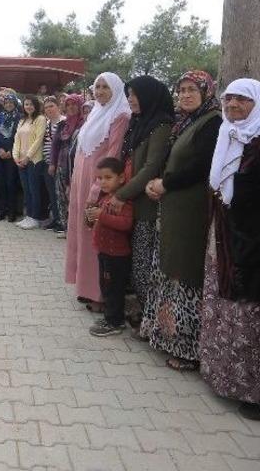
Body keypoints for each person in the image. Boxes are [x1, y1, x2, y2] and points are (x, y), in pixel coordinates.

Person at [199, 79, 260, 420]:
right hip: (226, 235)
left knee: (257, 317)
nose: (233, 105)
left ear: (259, 102)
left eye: (242, 99)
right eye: (229, 98)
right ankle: (226, 380)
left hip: (256, 244)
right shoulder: (228, 132)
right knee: (227, 309)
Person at [141, 70, 223, 371]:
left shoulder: (212, 122)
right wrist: (158, 183)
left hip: (191, 210)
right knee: (168, 268)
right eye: (182, 90)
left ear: (206, 92)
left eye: (192, 90)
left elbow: (200, 166)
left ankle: (187, 349)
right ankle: (164, 335)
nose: (185, 95)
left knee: (185, 272)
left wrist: (165, 184)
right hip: (173, 207)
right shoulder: (186, 121)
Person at [67, 75, 132, 306]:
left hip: (99, 183)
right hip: (81, 179)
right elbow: (81, 150)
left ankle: (99, 293)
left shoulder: (120, 115)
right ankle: (84, 286)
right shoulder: (95, 112)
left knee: (96, 236)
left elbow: (113, 153)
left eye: (106, 87)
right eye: (98, 87)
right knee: (81, 231)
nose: (100, 91)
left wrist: (97, 189)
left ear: (116, 89)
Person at [115, 76, 175, 324]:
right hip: (132, 199)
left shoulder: (161, 125)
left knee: (143, 264)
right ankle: (141, 314)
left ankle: (148, 320)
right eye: (128, 95)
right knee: (135, 262)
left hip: (146, 205)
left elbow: (151, 167)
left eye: (135, 95)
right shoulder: (138, 122)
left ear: (149, 96)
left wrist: (121, 194)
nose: (130, 100)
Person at [84, 156, 135, 337]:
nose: (103, 182)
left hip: (117, 255)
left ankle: (114, 322)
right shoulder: (104, 198)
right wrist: (90, 217)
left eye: (108, 177)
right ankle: (110, 317)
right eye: (100, 178)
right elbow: (97, 222)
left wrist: (101, 216)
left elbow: (126, 224)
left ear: (121, 178)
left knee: (114, 289)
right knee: (106, 286)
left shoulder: (123, 201)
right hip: (104, 252)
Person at [52, 94, 86, 238]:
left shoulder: (84, 124)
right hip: (61, 164)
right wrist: (52, 163)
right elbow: (55, 146)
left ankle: (76, 230)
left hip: (76, 166)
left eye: (74, 104)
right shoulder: (62, 124)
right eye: (68, 105)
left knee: (74, 197)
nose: (71, 107)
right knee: (61, 196)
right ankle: (66, 228)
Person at [13, 96, 47, 229]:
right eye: (26, 104)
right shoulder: (22, 120)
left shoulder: (40, 119)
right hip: (21, 161)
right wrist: (16, 157)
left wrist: (27, 157)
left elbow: (39, 140)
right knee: (26, 190)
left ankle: (35, 217)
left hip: (34, 160)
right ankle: (28, 216)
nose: (28, 107)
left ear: (36, 105)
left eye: (31, 104)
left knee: (34, 190)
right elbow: (17, 139)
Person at [0, 95, 21, 223]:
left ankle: (12, 211)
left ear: (15, 103)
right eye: (6, 102)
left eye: (11, 102)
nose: (8, 105)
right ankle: (1, 210)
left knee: (11, 183)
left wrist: (11, 151)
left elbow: (19, 136)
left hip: (12, 155)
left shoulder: (19, 117)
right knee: (0, 183)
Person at [40, 98, 64, 230]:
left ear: (58, 106)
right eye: (46, 107)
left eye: (51, 106)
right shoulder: (46, 123)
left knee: (60, 193)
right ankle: (55, 218)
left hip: (59, 164)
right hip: (46, 163)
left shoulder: (64, 122)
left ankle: (62, 220)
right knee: (52, 193)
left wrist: (55, 162)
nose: (49, 109)